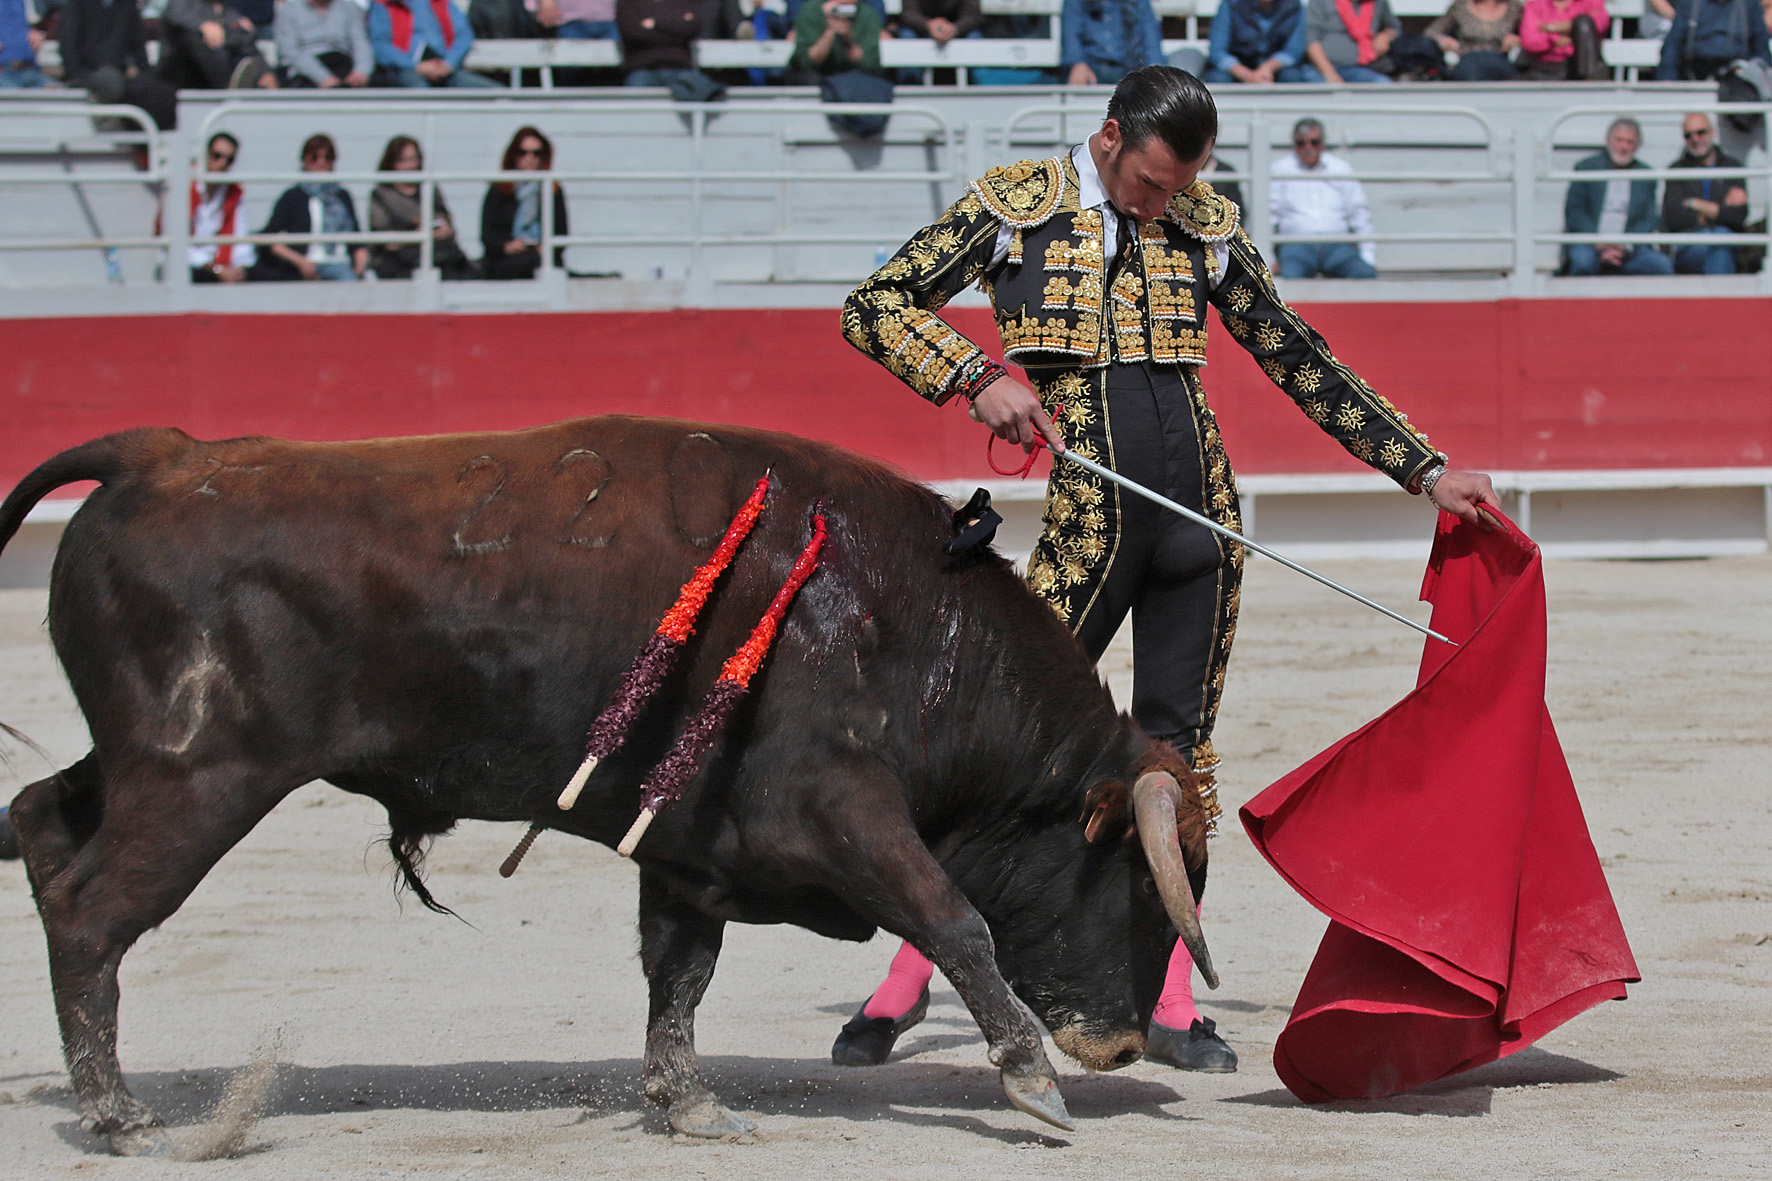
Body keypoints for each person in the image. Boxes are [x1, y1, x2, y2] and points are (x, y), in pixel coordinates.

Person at [836, 65, 1499, 1073]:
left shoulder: (1204, 219)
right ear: (1107, 140)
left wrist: (1422, 466)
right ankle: (908, 976)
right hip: (1089, 524)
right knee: (1007, 754)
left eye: (1176, 186)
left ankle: (1175, 996)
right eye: (1148, 184)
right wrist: (974, 377)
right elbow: (874, 303)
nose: (1160, 206)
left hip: (1202, 524)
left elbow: (1293, 352)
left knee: (1176, 760)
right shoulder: (1016, 204)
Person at [1563, 117, 1675, 277]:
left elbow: (1648, 220)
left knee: (1661, 266)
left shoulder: (1646, 175)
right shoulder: (1586, 168)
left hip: (1629, 250)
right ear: (1608, 141)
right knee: (1583, 262)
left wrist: (1625, 246)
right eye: (1619, 140)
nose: (1623, 147)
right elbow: (1575, 212)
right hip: (1591, 245)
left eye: (1630, 142)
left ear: (1637, 146)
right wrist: (1599, 243)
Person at [250, 133, 368, 281]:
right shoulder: (293, 196)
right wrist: (300, 261)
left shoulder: (342, 196)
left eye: (328, 157)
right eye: (314, 157)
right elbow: (270, 237)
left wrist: (359, 268)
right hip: (305, 265)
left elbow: (356, 239)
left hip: (340, 263)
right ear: (304, 160)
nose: (321, 162)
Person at [1270, 117, 1376, 279]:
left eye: (1314, 142)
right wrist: (1269, 259)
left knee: (1364, 274)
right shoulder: (1279, 170)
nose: (1308, 147)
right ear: (1294, 144)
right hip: (1296, 245)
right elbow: (1268, 217)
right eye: (1301, 143)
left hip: (1337, 245)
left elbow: (1359, 213)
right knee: (1288, 279)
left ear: (1322, 143)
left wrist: (1368, 257)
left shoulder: (1340, 169)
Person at [56, 0, 179, 128]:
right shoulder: (76, 4)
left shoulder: (127, 5)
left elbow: (138, 47)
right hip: (87, 76)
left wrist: (146, 77)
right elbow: (68, 48)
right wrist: (77, 76)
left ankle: (149, 141)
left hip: (119, 76)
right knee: (111, 79)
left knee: (161, 92)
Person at [370, 135, 474, 278]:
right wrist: (415, 234)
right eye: (404, 160)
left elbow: (446, 219)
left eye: (414, 159)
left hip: (438, 252)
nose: (411, 166)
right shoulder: (382, 195)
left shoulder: (429, 188)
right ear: (392, 163)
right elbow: (383, 239)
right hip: (400, 259)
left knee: (464, 269)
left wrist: (444, 230)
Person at [1662, 112, 1749, 275]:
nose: (1695, 139)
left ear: (1713, 132)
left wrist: (1694, 203)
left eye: (1701, 132)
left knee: (1721, 242)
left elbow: (1738, 216)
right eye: (1689, 135)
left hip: (1726, 241)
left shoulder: (1733, 166)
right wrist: (1718, 211)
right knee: (1720, 244)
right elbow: (1674, 217)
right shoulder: (1676, 170)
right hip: (1690, 244)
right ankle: (1722, 299)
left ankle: (1715, 298)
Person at [480, 125, 569, 279]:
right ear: (513, 155)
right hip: (506, 260)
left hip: (540, 258)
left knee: (542, 265)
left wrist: (544, 248)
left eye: (536, 153)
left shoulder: (552, 189)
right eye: (523, 152)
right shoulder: (500, 188)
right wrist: (509, 246)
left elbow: (562, 233)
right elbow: (488, 235)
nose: (530, 158)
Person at [369, 0, 501, 86]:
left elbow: (464, 36)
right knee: (421, 94)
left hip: (445, 69)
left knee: (493, 91)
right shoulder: (385, 4)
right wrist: (416, 66)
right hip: (406, 70)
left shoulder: (442, 3)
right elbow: (380, 46)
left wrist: (448, 63)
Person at [186, 131, 257, 282]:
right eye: (217, 156)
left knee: (263, 276)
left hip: (221, 265)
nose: (222, 163)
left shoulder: (233, 192)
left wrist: (239, 268)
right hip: (190, 265)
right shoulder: (184, 186)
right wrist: (217, 269)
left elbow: (241, 237)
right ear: (205, 155)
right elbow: (179, 246)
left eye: (229, 159)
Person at [158, 0, 277, 89]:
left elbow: (246, 44)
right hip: (182, 79)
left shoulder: (228, 12)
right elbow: (174, 14)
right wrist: (202, 26)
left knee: (243, 46)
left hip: (216, 77)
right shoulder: (183, 4)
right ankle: (227, 89)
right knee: (195, 39)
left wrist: (264, 71)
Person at [1655, 0, 1772, 80]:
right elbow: (1672, 47)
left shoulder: (1749, 5)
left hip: (1738, 81)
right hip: (1695, 75)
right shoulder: (1689, 4)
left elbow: (1761, 50)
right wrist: (1667, 78)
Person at [1201, 0, 1313, 83]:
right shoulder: (1231, 4)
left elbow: (1295, 50)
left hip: (1276, 69)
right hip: (1238, 67)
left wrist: (1268, 68)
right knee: (1217, 79)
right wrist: (1247, 75)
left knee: (1293, 77)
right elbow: (1217, 51)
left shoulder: (1294, 6)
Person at [617, 0, 716, 89]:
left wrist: (655, 23)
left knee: (702, 88)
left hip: (679, 67)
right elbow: (633, 32)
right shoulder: (629, 2)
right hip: (642, 68)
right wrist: (673, 28)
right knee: (636, 95)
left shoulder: (684, 2)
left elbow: (691, 27)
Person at [1061, 0, 1165, 85]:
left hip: (1129, 69)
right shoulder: (1075, 2)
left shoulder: (1138, 2)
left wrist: (1155, 73)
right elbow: (1071, 36)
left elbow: (1151, 37)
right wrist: (1078, 64)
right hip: (1093, 69)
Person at [275, 0, 373, 87]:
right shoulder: (288, 10)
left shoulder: (350, 7)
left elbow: (361, 42)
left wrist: (362, 71)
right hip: (306, 69)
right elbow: (289, 51)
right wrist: (322, 77)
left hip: (343, 63)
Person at [1303, 0, 1399, 83]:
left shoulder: (1378, 3)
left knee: (1383, 83)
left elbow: (1394, 27)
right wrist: (1330, 74)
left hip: (1359, 69)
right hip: (1321, 70)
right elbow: (1310, 40)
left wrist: (1386, 36)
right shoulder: (1321, 2)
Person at [787, 0, 885, 81]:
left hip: (853, 78)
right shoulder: (811, 10)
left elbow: (869, 64)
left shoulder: (868, 15)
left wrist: (848, 39)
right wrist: (830, 31)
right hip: (817, 76)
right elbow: (806, 62)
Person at [1426, 0, 1521, 80]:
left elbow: (1529, 34)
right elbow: (1432, 32)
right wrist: (1443, 40)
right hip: (1468, 59)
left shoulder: (1514, 7)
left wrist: (1517, 39)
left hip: (1500, 60)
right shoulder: (1461, 6)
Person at [1517, 0, 1605, 79]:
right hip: (1545, 68)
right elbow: (1530, 42)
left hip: (1579, 64)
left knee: (1583, 23)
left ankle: (1587, 82)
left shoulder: (1591, 2)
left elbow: (1597, 25)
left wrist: (1549, 27)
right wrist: (1557, 39)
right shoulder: (1535, 5)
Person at [0, 0, 48, 88]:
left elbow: (39, 24)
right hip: (5, 71)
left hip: (31, 69)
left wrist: (38, 34)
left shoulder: (27, 2)